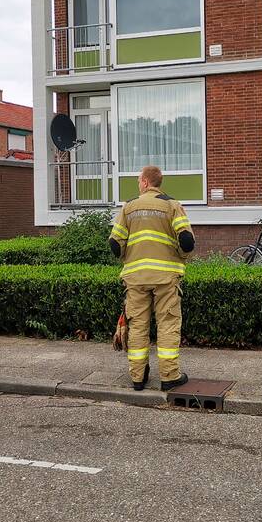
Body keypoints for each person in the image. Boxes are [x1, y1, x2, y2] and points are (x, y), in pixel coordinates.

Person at [108, 165, 195, 391]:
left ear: (146, 182)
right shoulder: (172, 206)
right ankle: (169, 377)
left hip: (135, 278)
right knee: (168, 324)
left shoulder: (129, 207)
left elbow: (115, 244)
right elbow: (187, 241)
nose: (138, 183)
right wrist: (181, 258)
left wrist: (128, 258)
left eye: (139, 180)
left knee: (137, 325)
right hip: (166, 277)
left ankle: (138, 378)